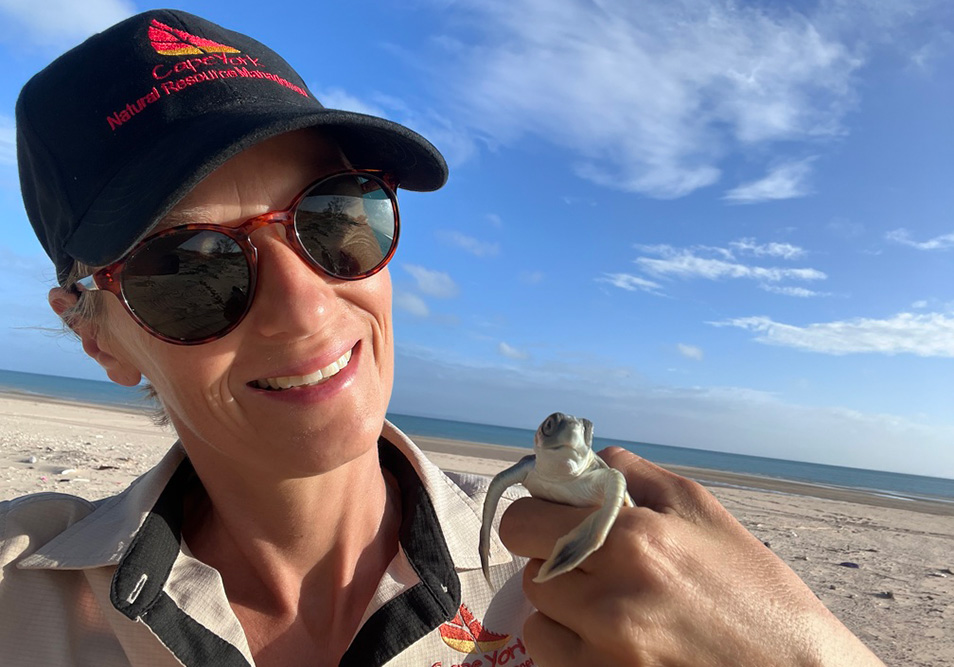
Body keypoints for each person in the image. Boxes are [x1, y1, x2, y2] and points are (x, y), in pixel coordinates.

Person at [0, 9, 885, 667]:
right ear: (98, 337)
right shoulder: (19, 600)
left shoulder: (605, 583)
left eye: (336, 217)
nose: (306, 309)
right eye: (188, 269)